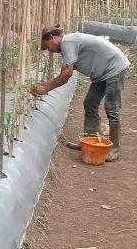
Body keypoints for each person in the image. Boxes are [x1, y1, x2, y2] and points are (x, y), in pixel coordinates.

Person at [31, 27, 130, 162]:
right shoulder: (69, 44)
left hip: (114, 68)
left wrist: (46, 88)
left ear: (51, 38)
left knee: (112, 107)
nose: (50, 51)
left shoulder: (68, 42)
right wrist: (43, 85)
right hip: (102, 73)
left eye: (47, 46)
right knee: (90, 102)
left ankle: (114, 150)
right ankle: (89, 141)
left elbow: (66, 75)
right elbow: (63, 72)